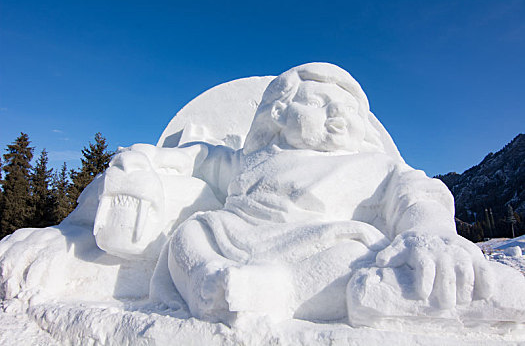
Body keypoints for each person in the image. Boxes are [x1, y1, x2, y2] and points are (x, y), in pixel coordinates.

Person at [145, 63, 505, 326]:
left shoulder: (373, 164)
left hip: (315, 246)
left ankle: (278, 292)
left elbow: (417, 193)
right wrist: (157, 158)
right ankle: (207, 282)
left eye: (348, 110)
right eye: (319, 103)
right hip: (234, 238)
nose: (337, 115)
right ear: (280, 113)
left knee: (351, 256)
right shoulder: (251, 160)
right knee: (191, 233)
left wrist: (429, 230)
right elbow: (204, 158)